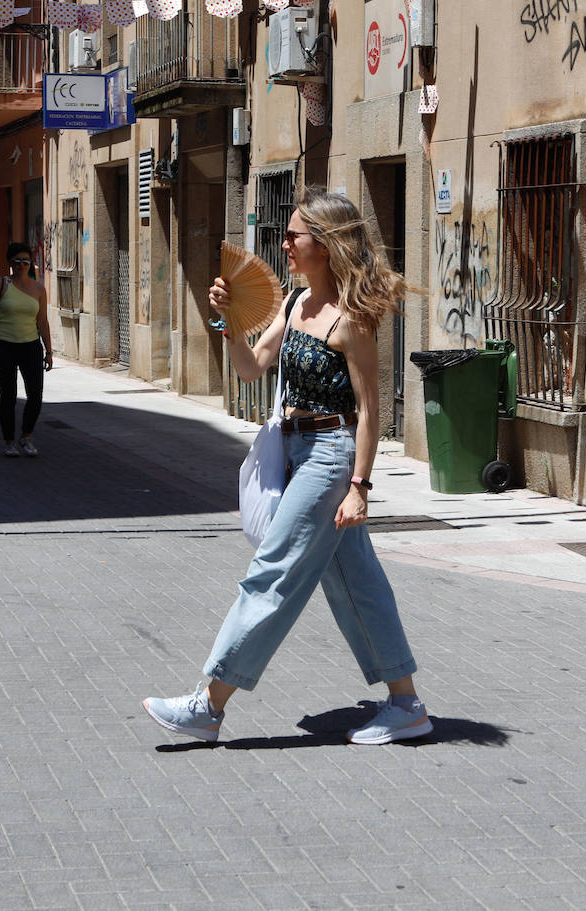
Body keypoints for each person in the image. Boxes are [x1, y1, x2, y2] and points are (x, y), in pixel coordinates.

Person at [142, 188, 432, 746]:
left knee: (271, 574)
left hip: (330, 457)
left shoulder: (353, 320)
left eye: (294, 235)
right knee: (358, 584)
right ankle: (407, 704)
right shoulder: (297, 303)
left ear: (322, 245)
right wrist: (227, 320)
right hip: (294, 450)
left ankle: (209, 705)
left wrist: (360, 488)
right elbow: (251, 368)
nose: (285, 244)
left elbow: (370, 410)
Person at [0, 242, 51, 457]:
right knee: (9, 396)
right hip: (3, 345)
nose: (21, 265)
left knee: (36, 396)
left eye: (26, 261)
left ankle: (26, 436)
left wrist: (49, 350)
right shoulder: (0, 284)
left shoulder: (39, 289)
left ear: (31, 263)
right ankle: (9, 441)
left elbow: (43, 321)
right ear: (10, 263)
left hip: (31, 346)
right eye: (17, 261)